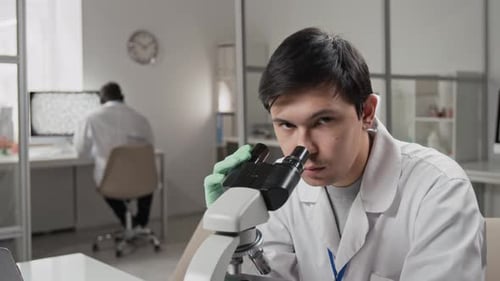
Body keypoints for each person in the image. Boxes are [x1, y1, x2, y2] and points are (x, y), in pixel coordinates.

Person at [204, 28, 485, 280]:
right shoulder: (278, 187)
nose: (305, 149)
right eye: (286, 125)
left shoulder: (439, 189)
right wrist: (239, 231)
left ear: (367, 112)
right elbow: (268, 273)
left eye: (323, 121)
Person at [74, 82, 155, 230]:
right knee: (147, 183)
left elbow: (80, 151)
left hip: (111, 181)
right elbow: (150, 147)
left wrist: (96, 152)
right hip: (142, 180)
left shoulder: (91, 118)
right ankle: (140, 223)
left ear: (101, 100)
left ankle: (130, 224)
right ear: (122, 97)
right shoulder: (141, 119)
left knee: (109, 185)